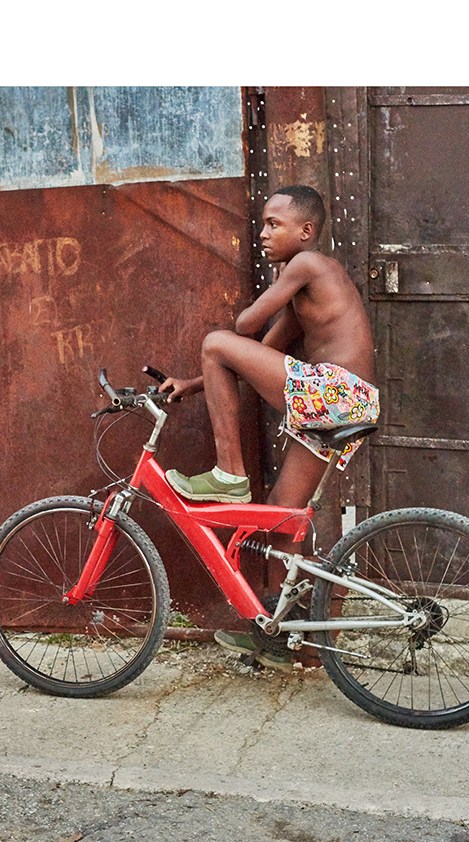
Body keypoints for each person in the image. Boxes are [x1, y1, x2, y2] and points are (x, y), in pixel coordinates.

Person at [155, 184, 380, 666]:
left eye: (273, 225)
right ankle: (291, 640)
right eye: (262, 224)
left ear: (306, 231)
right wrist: (192, 384)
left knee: (215, 340)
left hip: (335, 393)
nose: (262, 234)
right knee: (282, 515)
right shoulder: (308, 294)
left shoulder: (308, 265)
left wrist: (268, 294)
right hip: (345, 403)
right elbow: (262, 355)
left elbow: (243, 329)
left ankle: (230, 475)